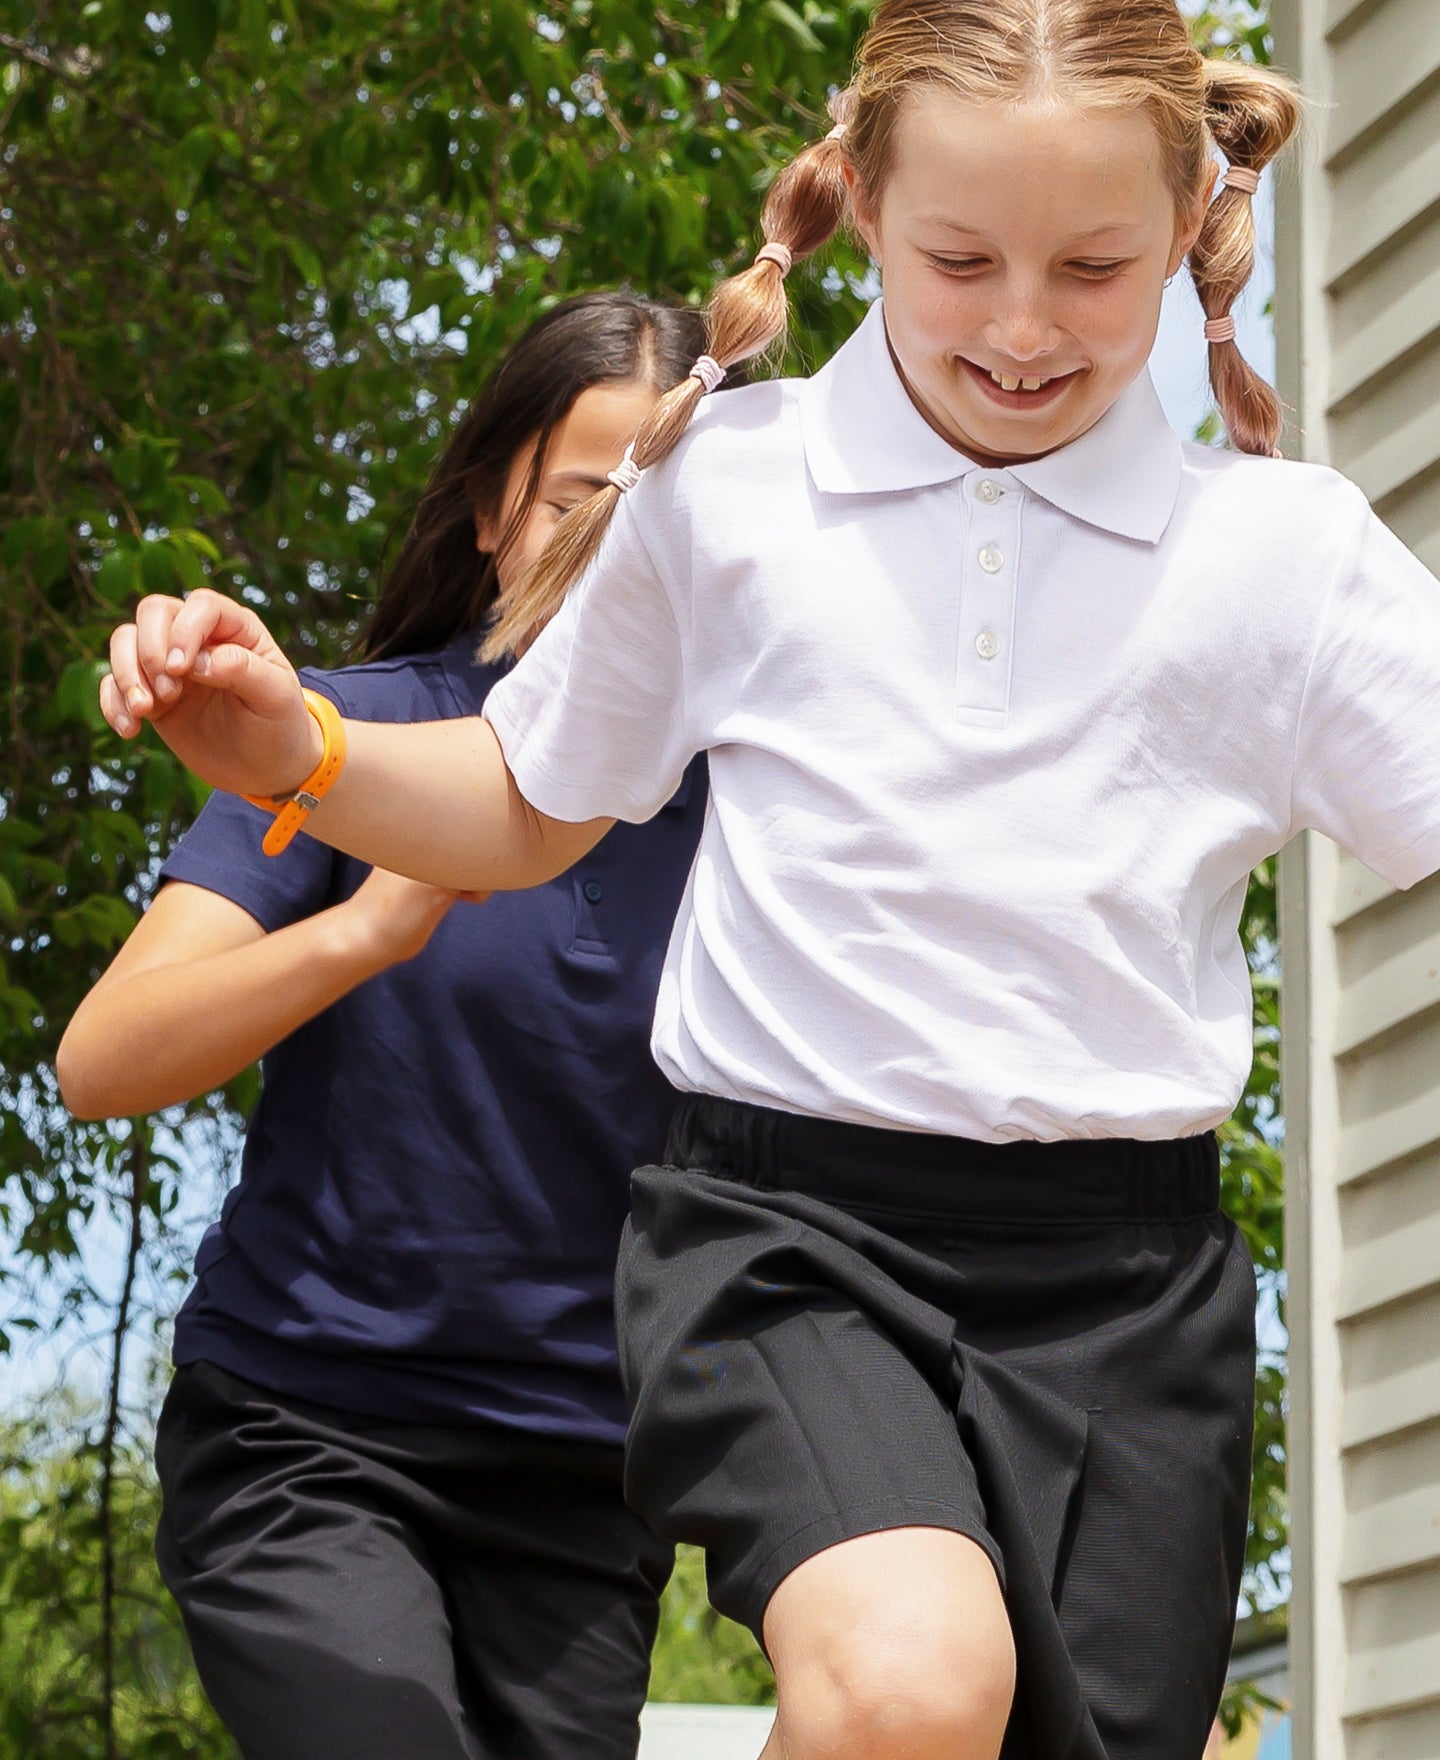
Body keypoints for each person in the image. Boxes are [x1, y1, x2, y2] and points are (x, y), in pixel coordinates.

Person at [95, 2, 1440, 1756]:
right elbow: (523, 799)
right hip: (787, 1242)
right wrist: (300, 755)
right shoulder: (730, 489)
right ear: (861, 203)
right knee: (907, 1685)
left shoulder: (1286, 562)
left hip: (1127, 1282)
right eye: (960, 259)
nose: (1023, 328)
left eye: (1093, 268)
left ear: (1190, 218)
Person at [59, 291, 714, 1760]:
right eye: (578, 501)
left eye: (665, 518)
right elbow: (103, 1061)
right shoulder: (336, 740)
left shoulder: (752, 816)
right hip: (309, 1433)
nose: (620, 549)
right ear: (492, 508)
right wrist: (366, 927)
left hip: (577, 1487)